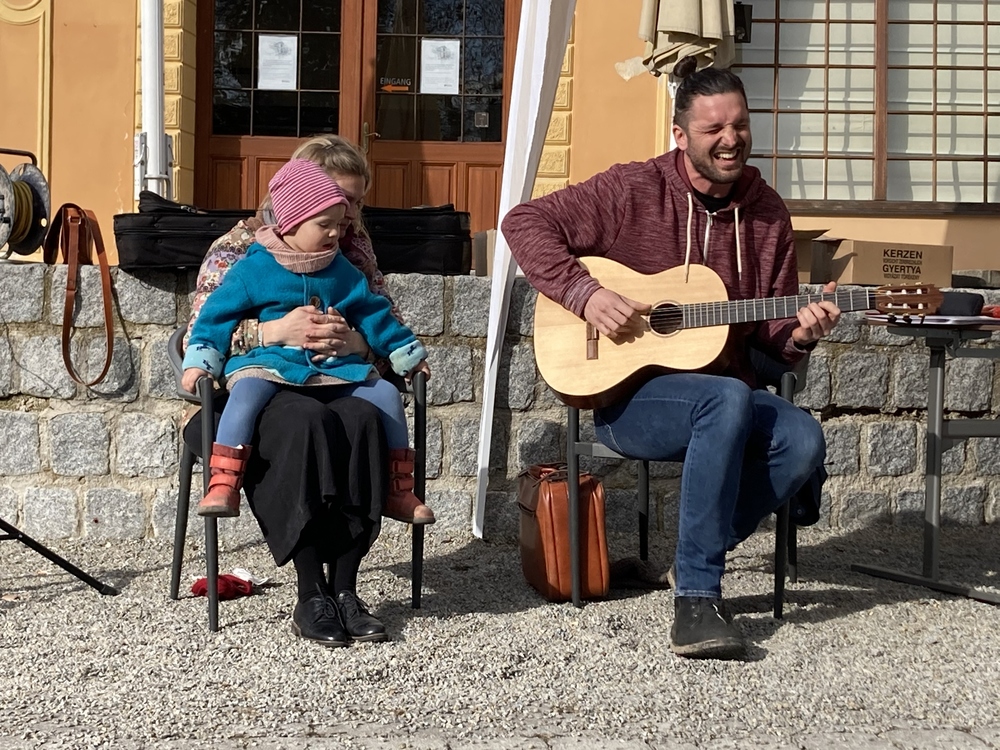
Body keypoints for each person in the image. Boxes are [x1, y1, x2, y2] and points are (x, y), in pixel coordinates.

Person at [502, 66, 839, 660]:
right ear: (680, 135)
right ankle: (698, 602)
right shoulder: (634, 190)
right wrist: (585, 294)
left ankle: (691, 558)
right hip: (629, 399)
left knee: (802, 438)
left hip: (728, 394)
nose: (731, 139)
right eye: (714, 129)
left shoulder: (767, 214)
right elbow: (523, 222)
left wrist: (801, 337)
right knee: (726, 398)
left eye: (740, 125)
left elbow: (772, 334)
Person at [183, 135, 426, 648]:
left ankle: (346, 587)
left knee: (363, 421)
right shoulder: (238, 251)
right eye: (343, 200)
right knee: (303, 423)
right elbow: (201, 333)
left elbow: (385, 325)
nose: (351, 216)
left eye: (357, 203)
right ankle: (311, 590)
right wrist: (273, 332)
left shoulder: (350, 253)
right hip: (258, 386)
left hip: (336, 379)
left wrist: (356, 341)